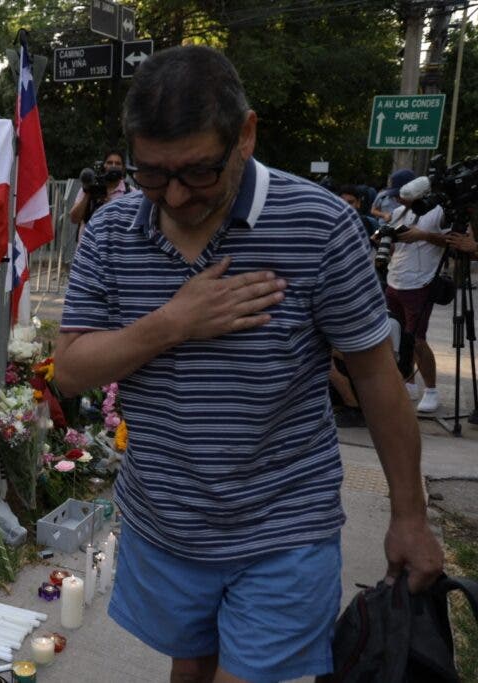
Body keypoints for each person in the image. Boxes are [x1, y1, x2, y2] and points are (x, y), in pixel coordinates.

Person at [54, 45, 443, 683]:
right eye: (152, 175)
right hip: (163, 520)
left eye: (198, 172)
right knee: (190, 668)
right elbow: (70, 370)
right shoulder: (110, 230)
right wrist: (173, 322)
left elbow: (376, 378)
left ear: (246, 135)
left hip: (283, 526)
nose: (175, 195)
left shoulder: (320, 226)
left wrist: (409, 515)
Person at [383, 180, 448, 413]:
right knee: (398, 337)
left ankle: (431, 390)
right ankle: (408, 382)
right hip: (395, 279)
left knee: (417, 339)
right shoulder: (399, 212)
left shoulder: (438, 211)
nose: (398, 200)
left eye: (402, 196)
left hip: (420, 282)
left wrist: (423, 235)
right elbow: (395, 247)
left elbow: (453, 241)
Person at [68, 150, 131, 237]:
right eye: (109, 163)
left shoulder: (130, 192)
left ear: (123, 168)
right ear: (103, 166)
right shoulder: (90, 187)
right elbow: (74, 219)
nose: (113, 166)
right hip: (88, 243)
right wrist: (89, 193)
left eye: (117, 163)